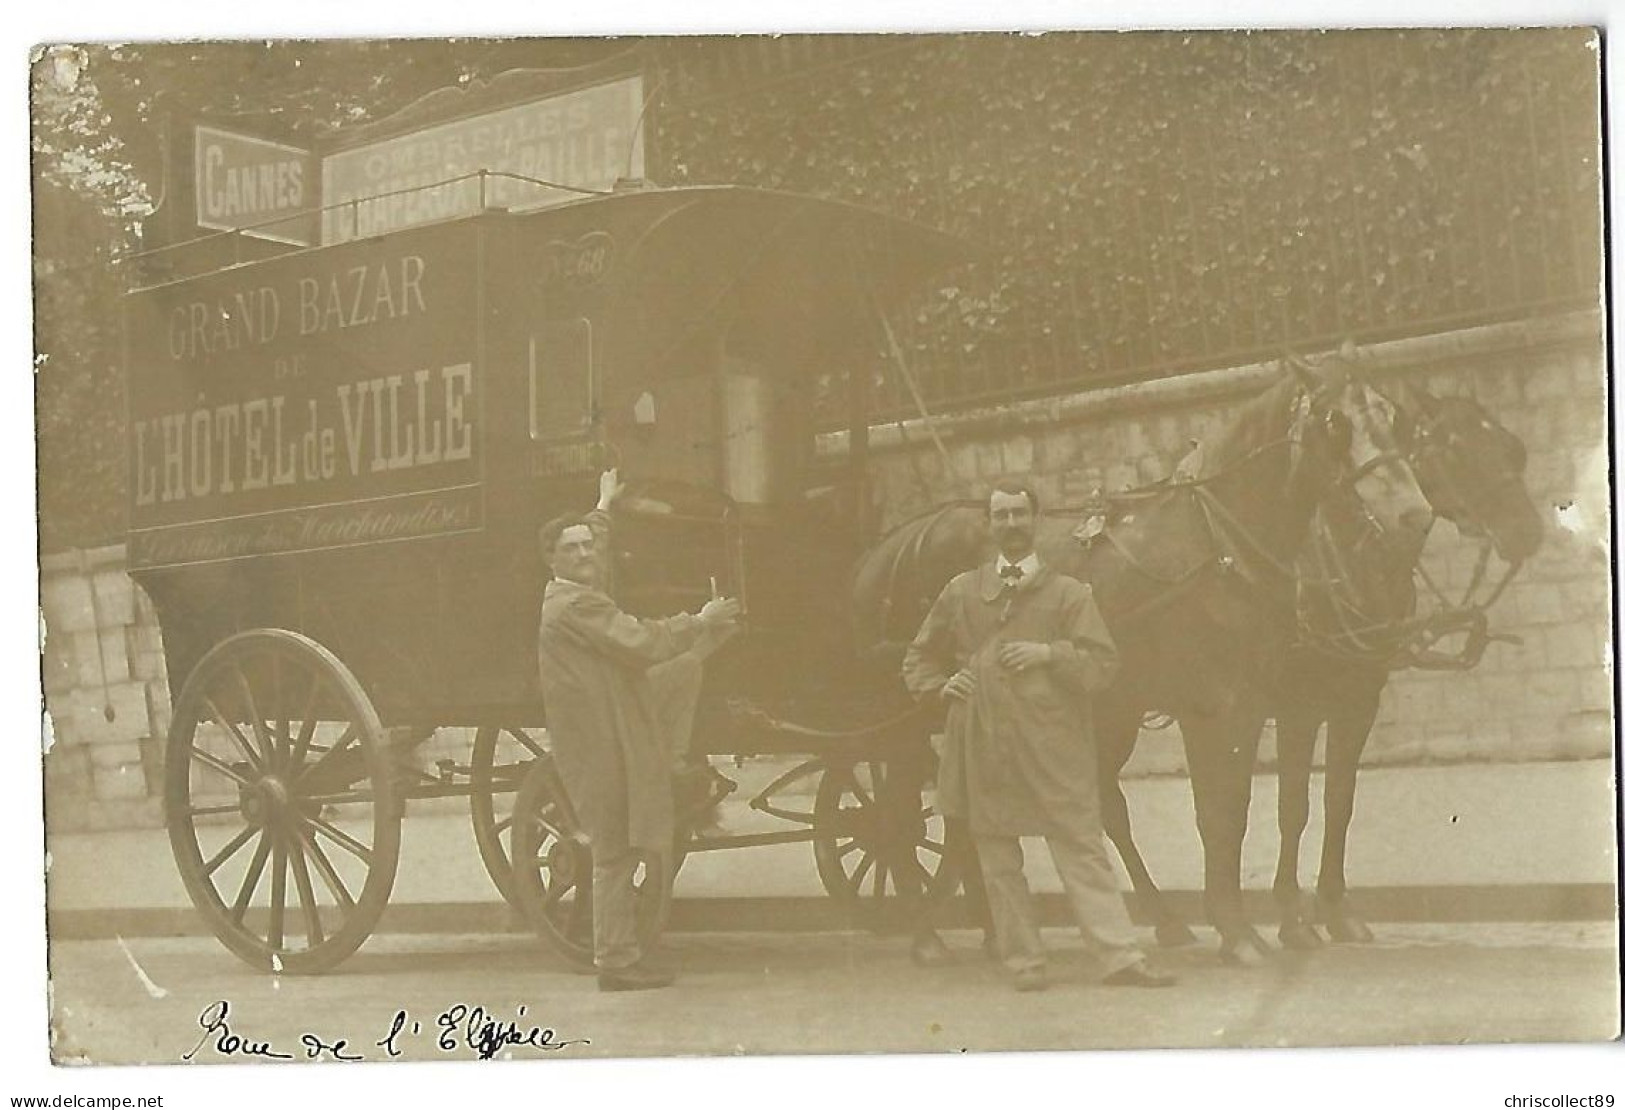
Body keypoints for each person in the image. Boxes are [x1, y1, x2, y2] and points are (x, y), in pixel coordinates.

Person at [903, 478, 1174, 992]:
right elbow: (918, 655)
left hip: (1054, 744)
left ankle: (1120, 957)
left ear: (1036, 522)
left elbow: (1102, 665)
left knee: (1081, 846)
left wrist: (1050, 654)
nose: (1010, 525)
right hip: (984, 742)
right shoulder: (961, 592)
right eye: (1000, 516)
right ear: (988, 525)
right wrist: (941, 686)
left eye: (1019, 515)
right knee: (998, 860)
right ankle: (1024, 962)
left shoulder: (1070, 595)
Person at [537, 483, 741, 992]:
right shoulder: (574, 607)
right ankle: (615, 962)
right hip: (599, 742)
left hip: (615, 721)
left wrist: (602, 505)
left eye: (588, 545)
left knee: (689, 666)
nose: (585, 553)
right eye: (572, 549)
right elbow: (642, 642)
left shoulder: (578, 588)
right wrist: (698, 619)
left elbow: (597, 550)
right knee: (613, 850)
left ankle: (620, 955)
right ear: (551, 560)